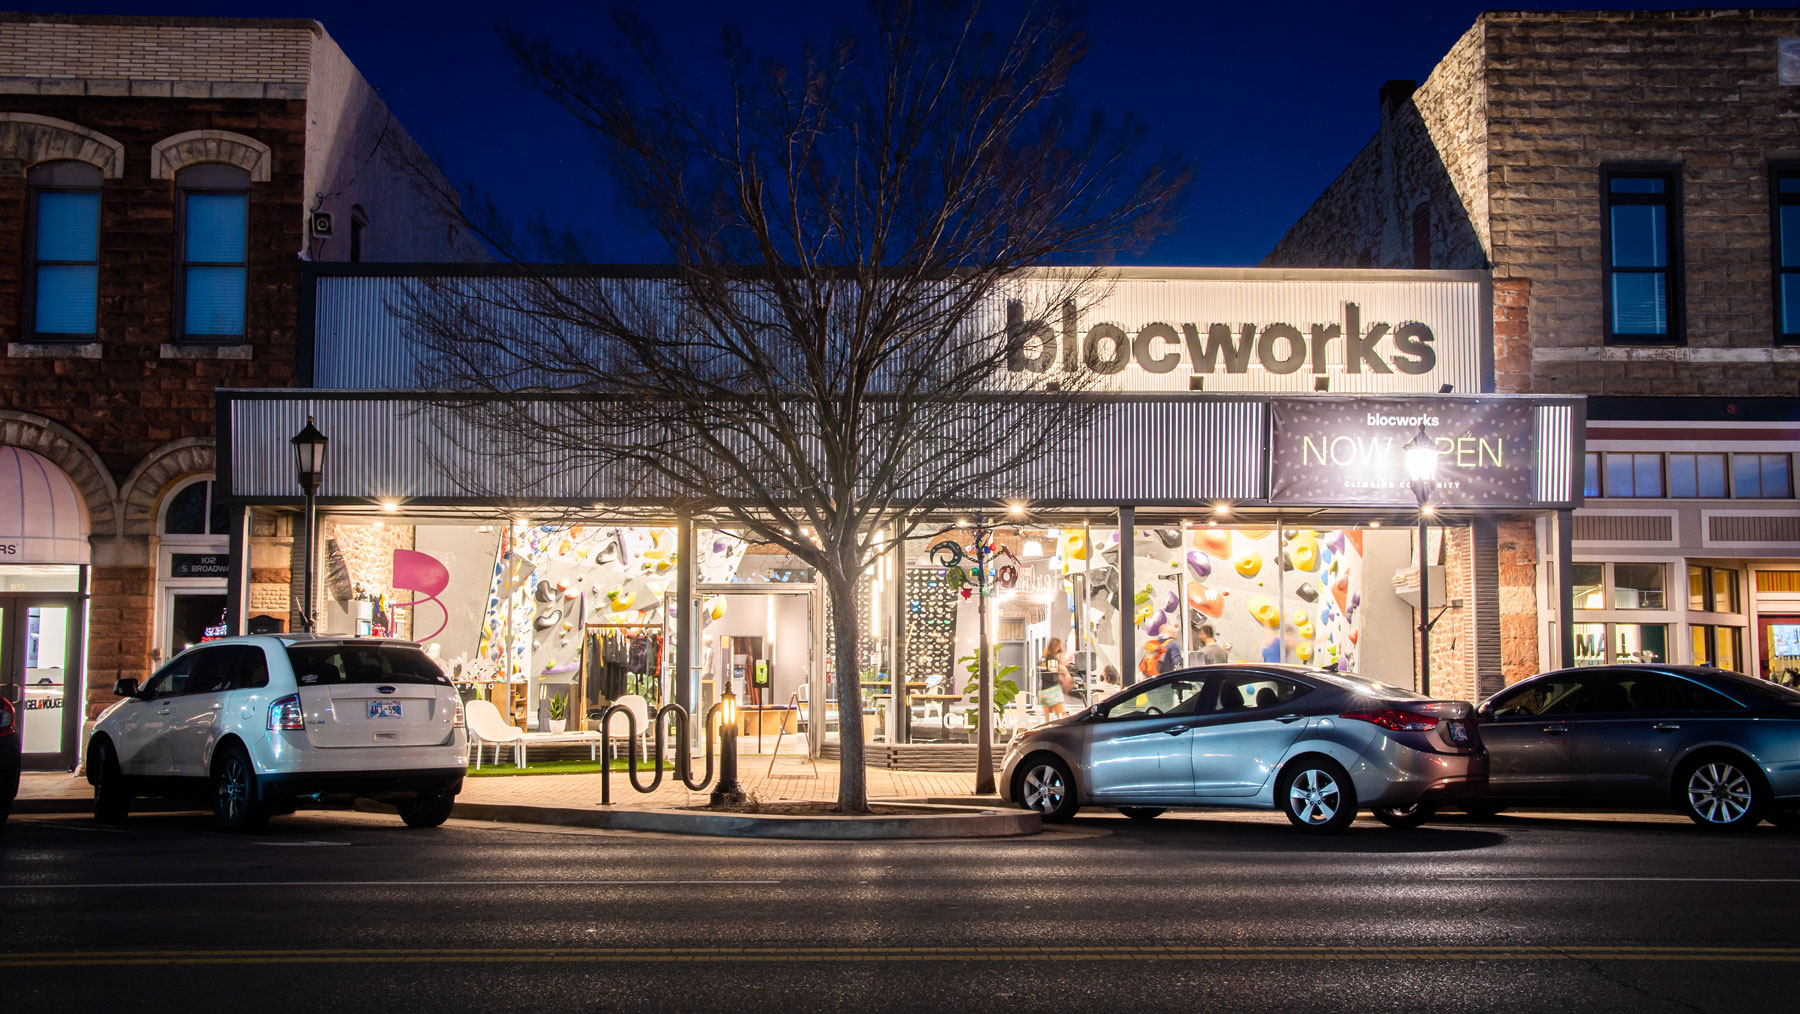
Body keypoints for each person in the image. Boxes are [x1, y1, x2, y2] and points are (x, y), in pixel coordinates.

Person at [1038, 638, 1074, 719]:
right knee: (1061, 716)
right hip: (1053, 692)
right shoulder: (1052, 659)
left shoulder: (1042, 658)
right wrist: (1066, 679)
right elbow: (1057, 673)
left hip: (1043, 692)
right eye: (1059, 647)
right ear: (1055, 647)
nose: (1059, 649)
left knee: (1048, 720)